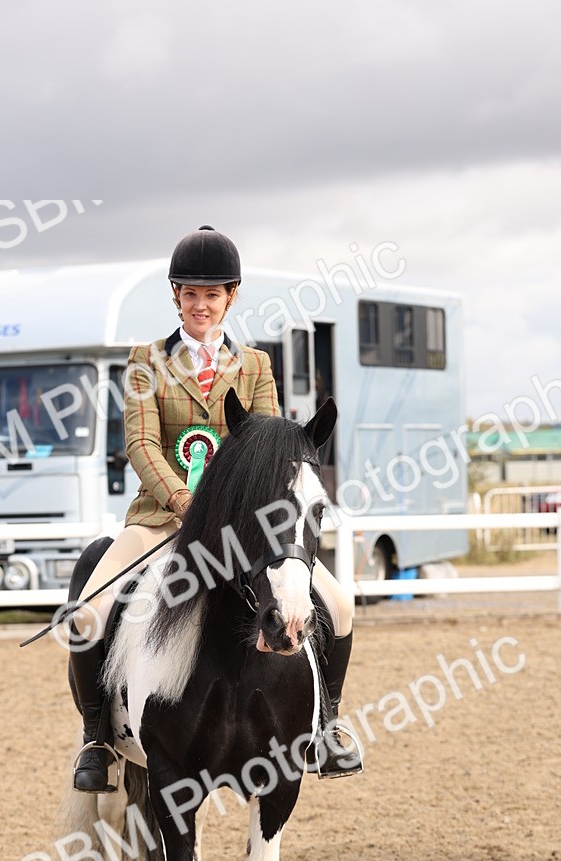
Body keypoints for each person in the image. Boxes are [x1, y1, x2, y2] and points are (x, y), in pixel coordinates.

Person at [69, 225, 358, 791]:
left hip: (244, 528)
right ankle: (98, 740)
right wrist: (182, 500)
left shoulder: (254, 366)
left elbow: (274, 447)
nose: (202, 305)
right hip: (160, 519)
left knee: (341, 607)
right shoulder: (145, 361)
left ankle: (326, 724)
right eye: (191, 294)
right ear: (176, 296)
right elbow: (140, 443)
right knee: (88, 611)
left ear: (231, 297)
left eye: (214, 295)